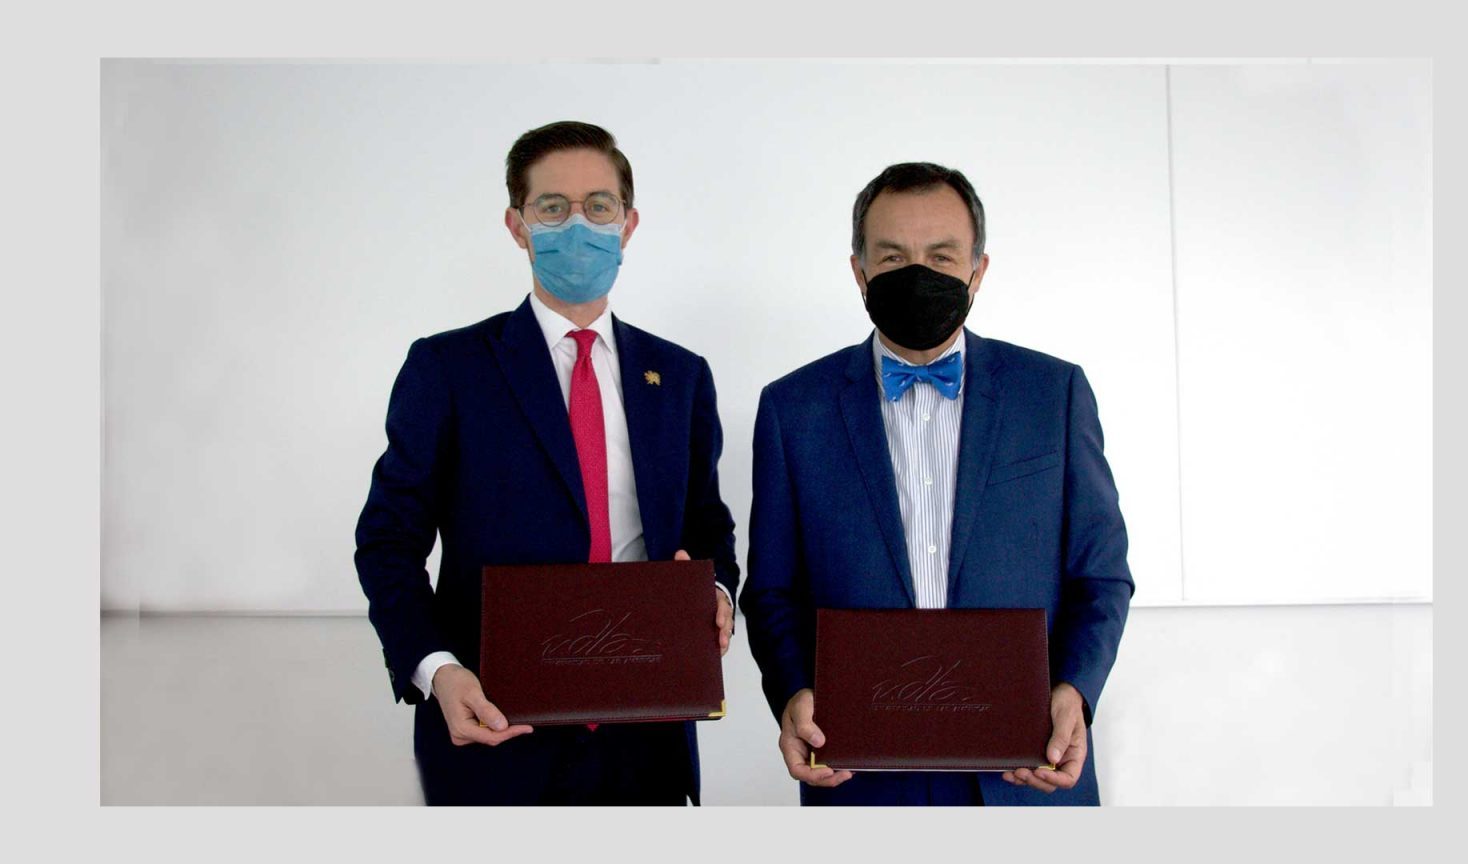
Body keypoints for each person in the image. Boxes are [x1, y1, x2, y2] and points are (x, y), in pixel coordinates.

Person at [355, 120, 738, 805]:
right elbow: (388, 540)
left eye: (599, 205)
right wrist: (437, 669)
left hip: (645, 736)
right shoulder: (448, 368)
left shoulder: (680, 376)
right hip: (492, 727)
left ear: (628, 223)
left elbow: (706, 523)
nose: (578, 225)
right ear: (517, 225)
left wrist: (715, 591)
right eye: (553, 207)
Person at [740, 162, 1134, 806]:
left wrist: (1076, 690)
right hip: (859, 774)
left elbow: (1102, 574)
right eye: (893, 257)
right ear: (859, 271)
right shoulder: (793, 408)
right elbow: (772, 590)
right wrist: (792, 690)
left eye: (941, 256)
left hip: (1028, 771)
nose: (917, 274)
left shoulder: (1053, 394)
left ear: (977, 270)